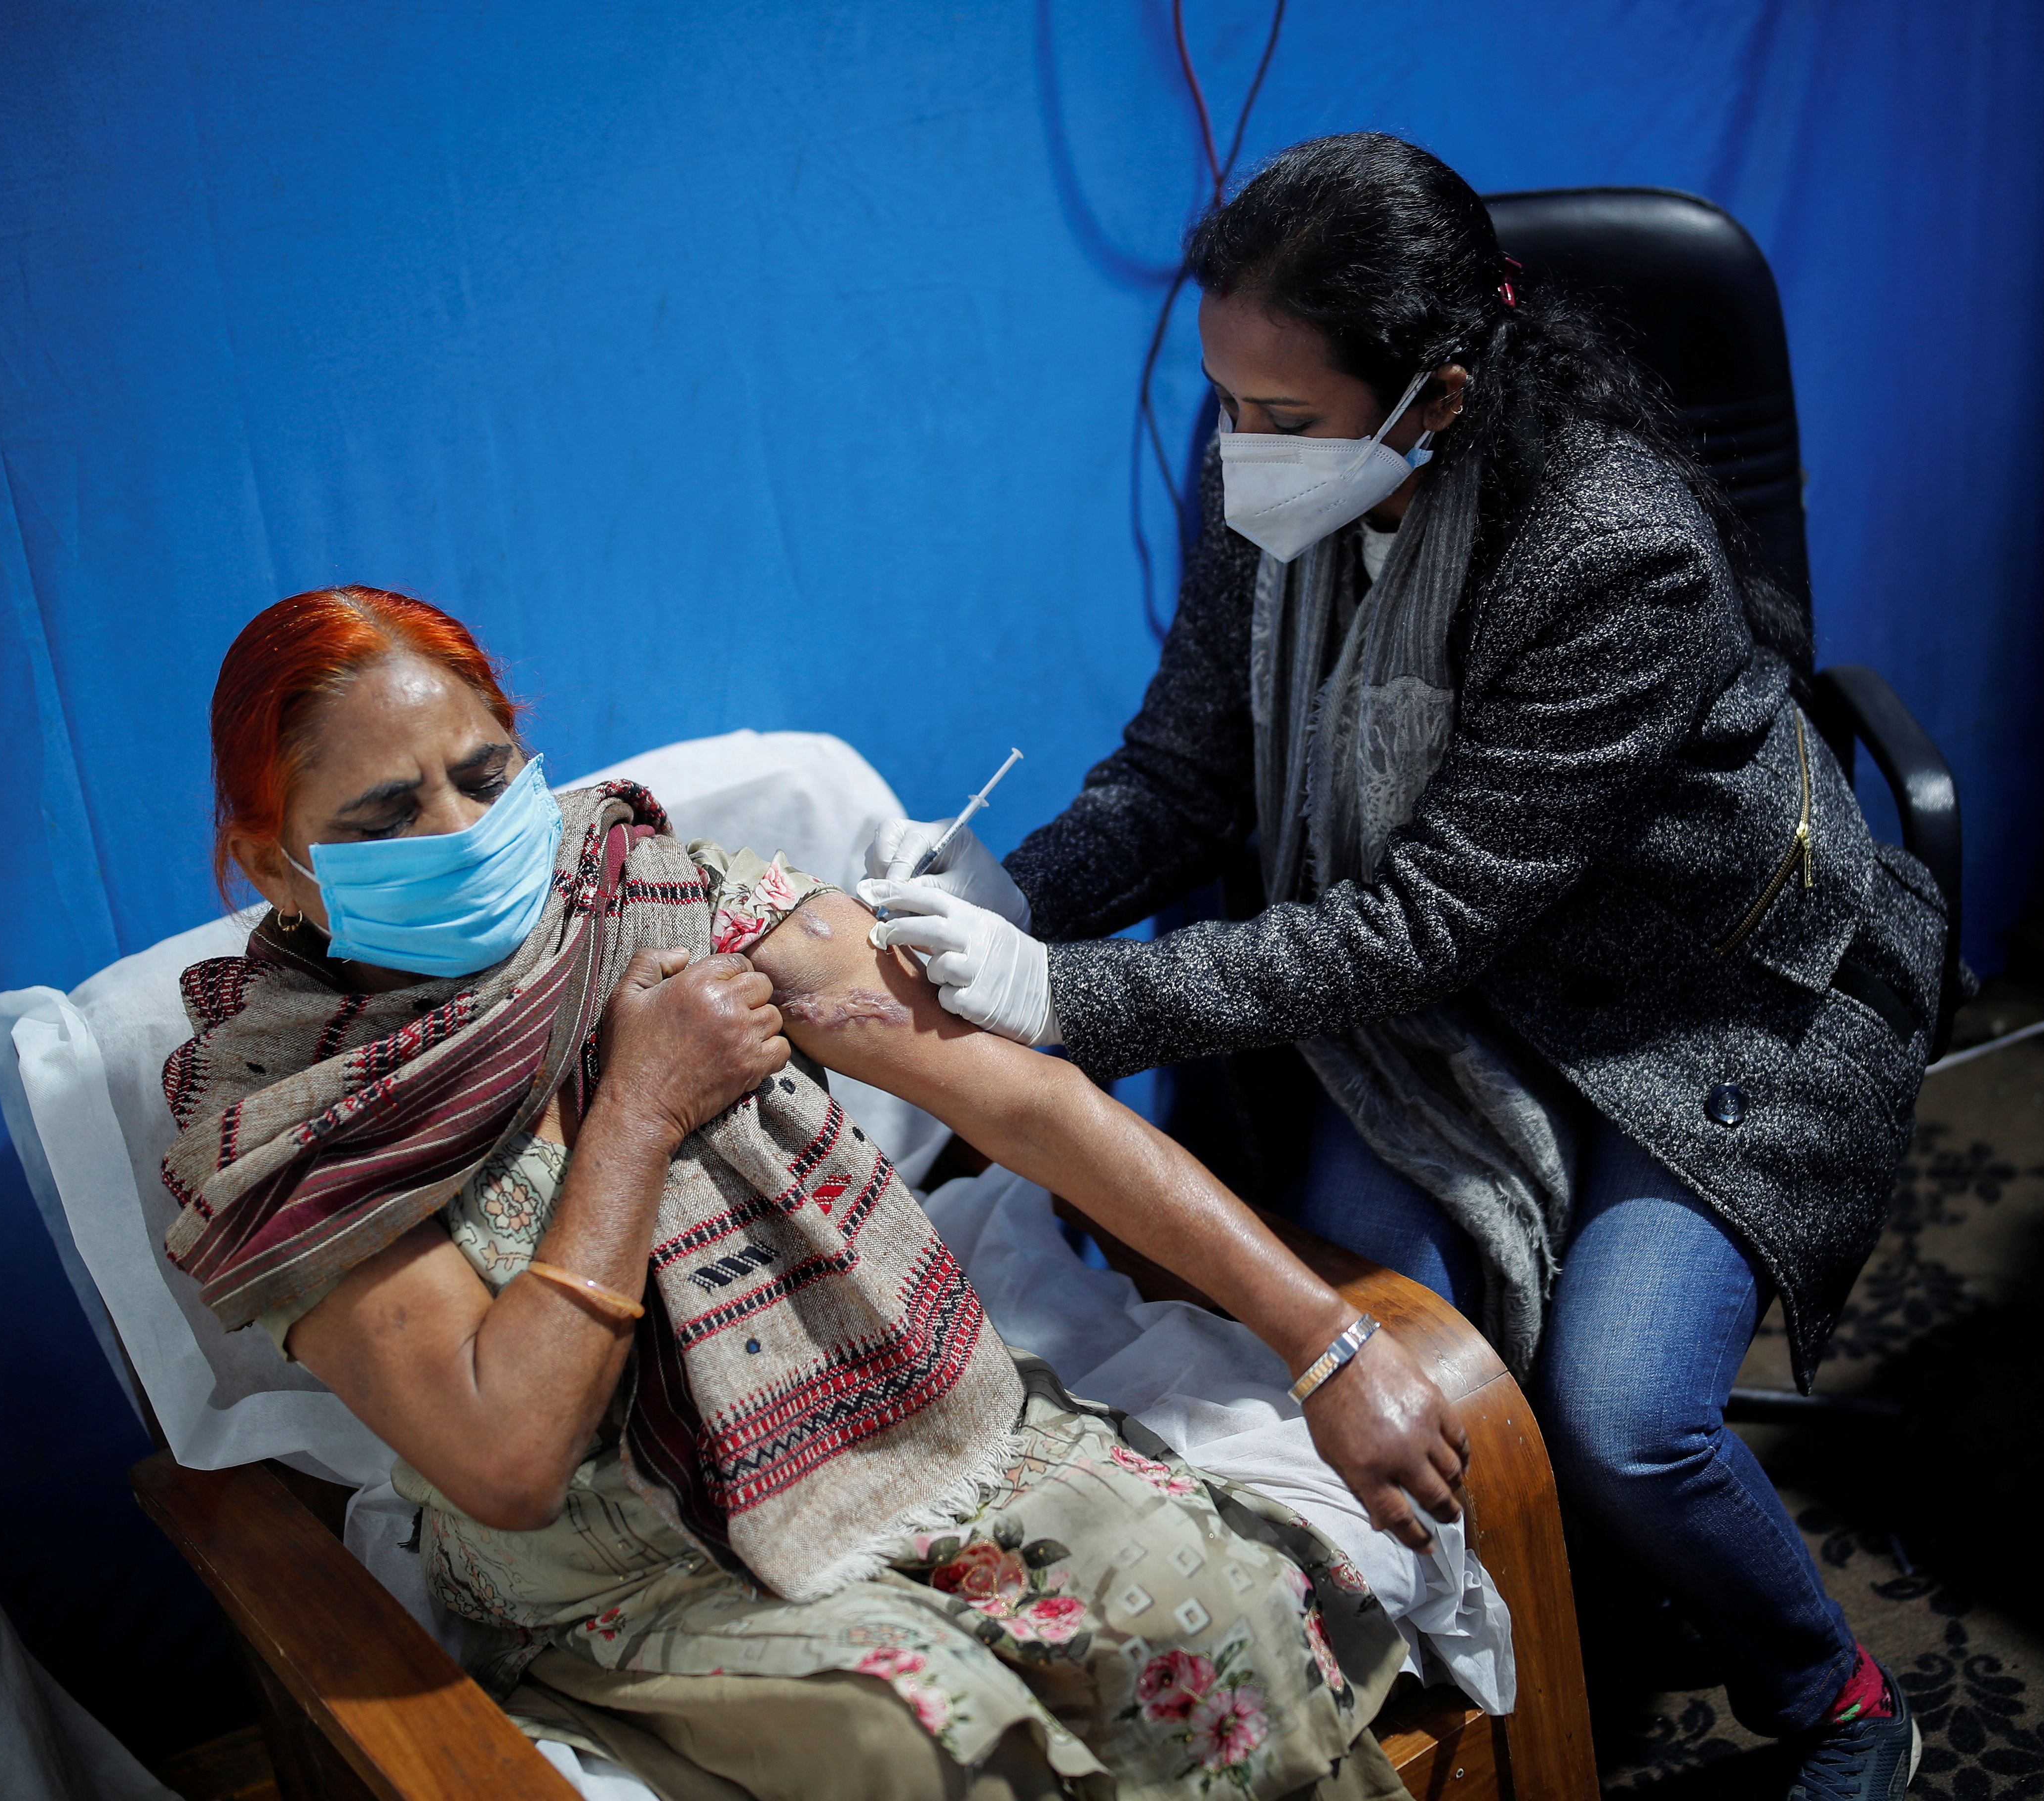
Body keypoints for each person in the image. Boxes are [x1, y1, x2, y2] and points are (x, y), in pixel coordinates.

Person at [867, 134, 1949, 1801]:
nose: (1239, 453)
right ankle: (1502, 1654)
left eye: (1279, 417)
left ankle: (1837, 1694)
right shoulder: (1287, 471)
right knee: (1381, 1342)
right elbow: (1181, 777)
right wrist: (1017, 892)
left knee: (1622, 1423)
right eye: (1224, 403)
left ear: (1437, 395)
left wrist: (1059, 997)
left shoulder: (1609, 549)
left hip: (1700, 1015)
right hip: (1450, 1014)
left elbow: (1420, 921)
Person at [162, 585, 1472, 1801]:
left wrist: (1327, 1340)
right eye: (383, 819)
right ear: (279, 869)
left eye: (483, 776)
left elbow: (1025, 1104)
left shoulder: (659, 899)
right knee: (928, 1740)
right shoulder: (293, 1119)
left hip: (923, 1442)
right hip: (636, 1573)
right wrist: (638, 1108)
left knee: (1225, 1605)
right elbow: (507, 1460)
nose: (457, 832)